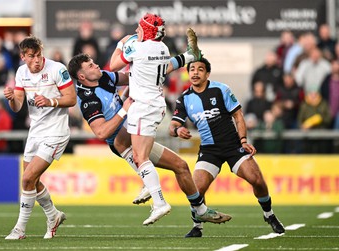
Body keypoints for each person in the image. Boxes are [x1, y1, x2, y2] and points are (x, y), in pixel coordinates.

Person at [68, 52, 231, 226]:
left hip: (134, 131)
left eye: (93, 62)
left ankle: (200, 211)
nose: (96, 65)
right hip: (123, 140)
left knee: (181, 166)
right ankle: (156, 197)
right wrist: (124, 108)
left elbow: (135, 78)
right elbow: (101, 133)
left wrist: (137, 72)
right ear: (82, 76)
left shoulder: (104, 77)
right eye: (91, 65)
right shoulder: (87, 98)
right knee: (131, 148)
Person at [108, 13, 218, 225]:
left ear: (147, 31)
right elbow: (167, 66)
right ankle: (147, 184)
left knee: (140, 157)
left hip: (143, 106)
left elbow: (113, 65)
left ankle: (159, 202)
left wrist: (122, 42)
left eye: (140, 28)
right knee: (127, 146)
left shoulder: (136, 47)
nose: (136, 31)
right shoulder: (162, 48)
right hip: (153, 104)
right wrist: (188, 57)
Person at [170, 57, 285, 237]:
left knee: (257, 180)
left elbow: (238, 117)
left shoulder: (221, 89)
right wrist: (178, 131)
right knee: (196, 190)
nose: (195, 72)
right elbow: (173, 126)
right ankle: (197, 227)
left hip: (232, 146)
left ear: (207, 74)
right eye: (192, 69)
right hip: (209, 150)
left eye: (200, 69)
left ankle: (269, 215)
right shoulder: (184, 99)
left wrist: (244, 140)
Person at [3, 35, 76, 239]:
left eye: (39, 55)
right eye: (31, 56)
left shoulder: (56, 69)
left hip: (56, 132)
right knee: (31, 182)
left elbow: (71, 99)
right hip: (35, 132)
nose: (36, 60)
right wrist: (11, 100)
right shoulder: (21, 72)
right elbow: (18, 106)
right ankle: (53, 215)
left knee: (27, 178)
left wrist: (50, 101)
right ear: (23, 57)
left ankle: (19, 229)